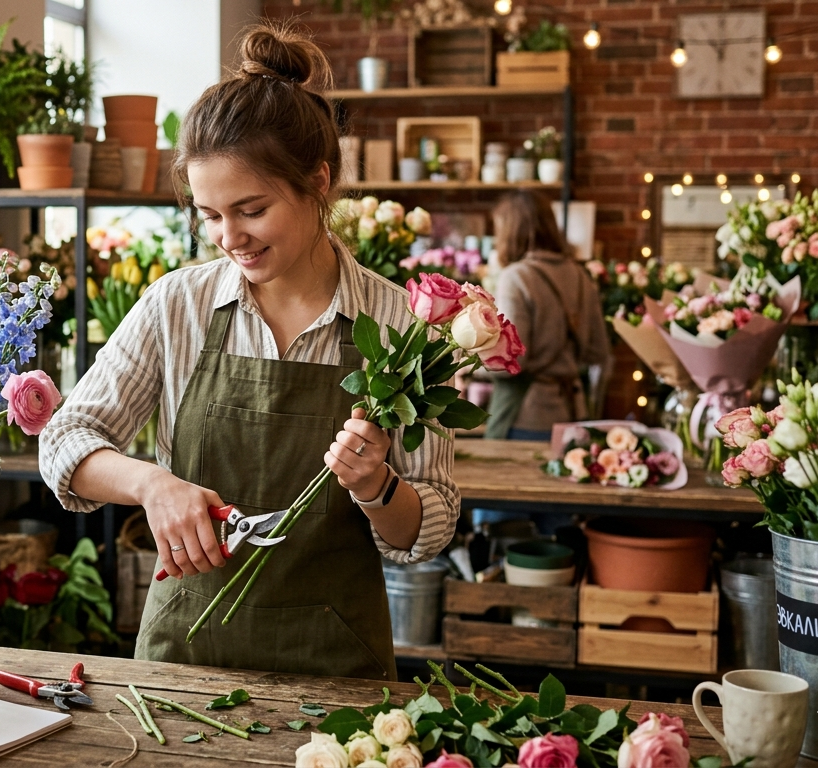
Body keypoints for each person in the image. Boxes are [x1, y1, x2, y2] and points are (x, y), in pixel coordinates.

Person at [38, 23, 458, 681]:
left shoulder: (398, 322)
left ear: (317, 182)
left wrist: (377, 485)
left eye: (251, 209)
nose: (229, 236)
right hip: (185, 663)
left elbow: (427, 533)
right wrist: (152, 484)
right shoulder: (176, 305)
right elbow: (64, 442)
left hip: (338, 669)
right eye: (209, 214)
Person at [484, 191, 611, 441]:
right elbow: (597, 352)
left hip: (525, 414)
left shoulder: (516, 277)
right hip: (572, 413)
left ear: (511, 231)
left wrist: (467, 358)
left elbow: (510, 362)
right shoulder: (580, 275)